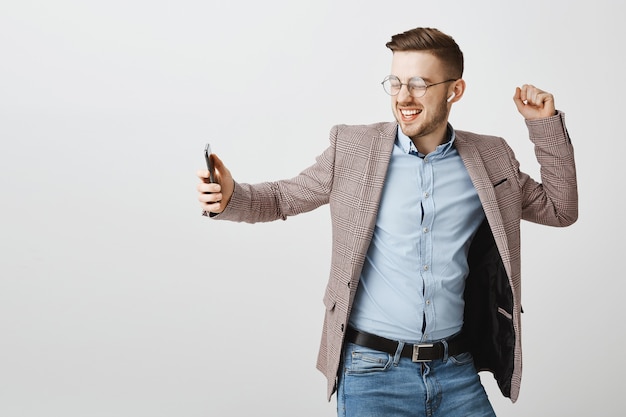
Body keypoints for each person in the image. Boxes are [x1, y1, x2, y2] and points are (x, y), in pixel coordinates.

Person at [196, 27, 578, 417]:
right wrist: (231, 198)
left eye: (418, 84)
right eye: (394, 82)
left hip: (457, 370)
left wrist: (543, 126)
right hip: (372, 373)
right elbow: (280, 198)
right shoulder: (353, 149)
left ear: (455, 90)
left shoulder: (491, 157)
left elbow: (560, 209)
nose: (403, 97)